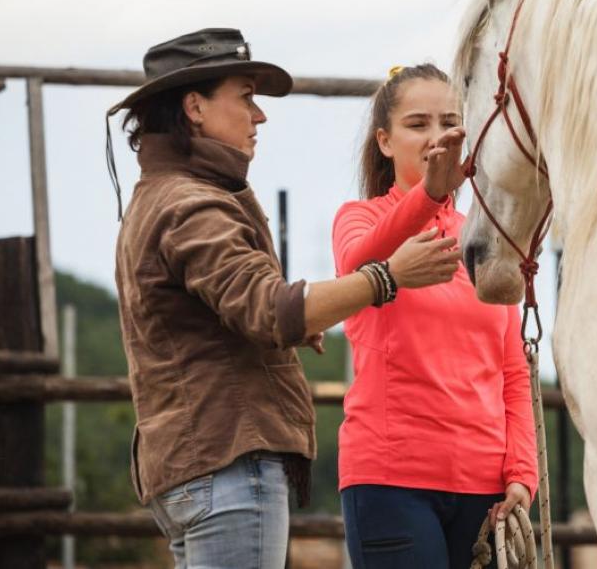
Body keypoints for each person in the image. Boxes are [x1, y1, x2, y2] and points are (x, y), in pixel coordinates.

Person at [108, 29, 462, 568]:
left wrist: (301, 318)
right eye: (245, 97)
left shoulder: (164, 196)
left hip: (198, 463)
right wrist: (387, 277)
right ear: (195, 106)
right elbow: (269, 309)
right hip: (228, 462)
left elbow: (240, 309)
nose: (260, 116)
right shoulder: (191, 204)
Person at [333, 63, 538, 569]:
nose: (435, 137)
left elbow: (511, 370)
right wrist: (428, 196)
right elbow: (358, 268)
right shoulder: (358, 218)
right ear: (385, 141)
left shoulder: (482, 238)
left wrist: (522, 473)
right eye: (417, 124)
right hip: (390, 480)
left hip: (486, 488)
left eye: (448, 122)